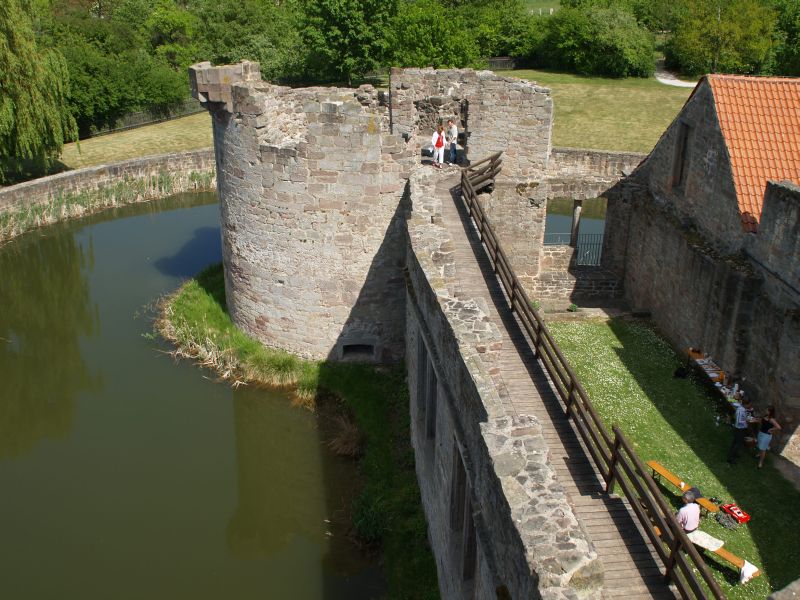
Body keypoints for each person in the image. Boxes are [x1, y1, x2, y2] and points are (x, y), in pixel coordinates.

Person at [727, 396, 755, 464]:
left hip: (741, 429)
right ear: (746, 404)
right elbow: (739, 421)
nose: (750, 405)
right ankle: (731, 458)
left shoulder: (743, 409)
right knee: (737, 444)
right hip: (739, 429)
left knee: (736, 442)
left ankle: (733, 453)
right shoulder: (741, 410)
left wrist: (745, 419)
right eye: (749, 404)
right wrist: (746, 421)